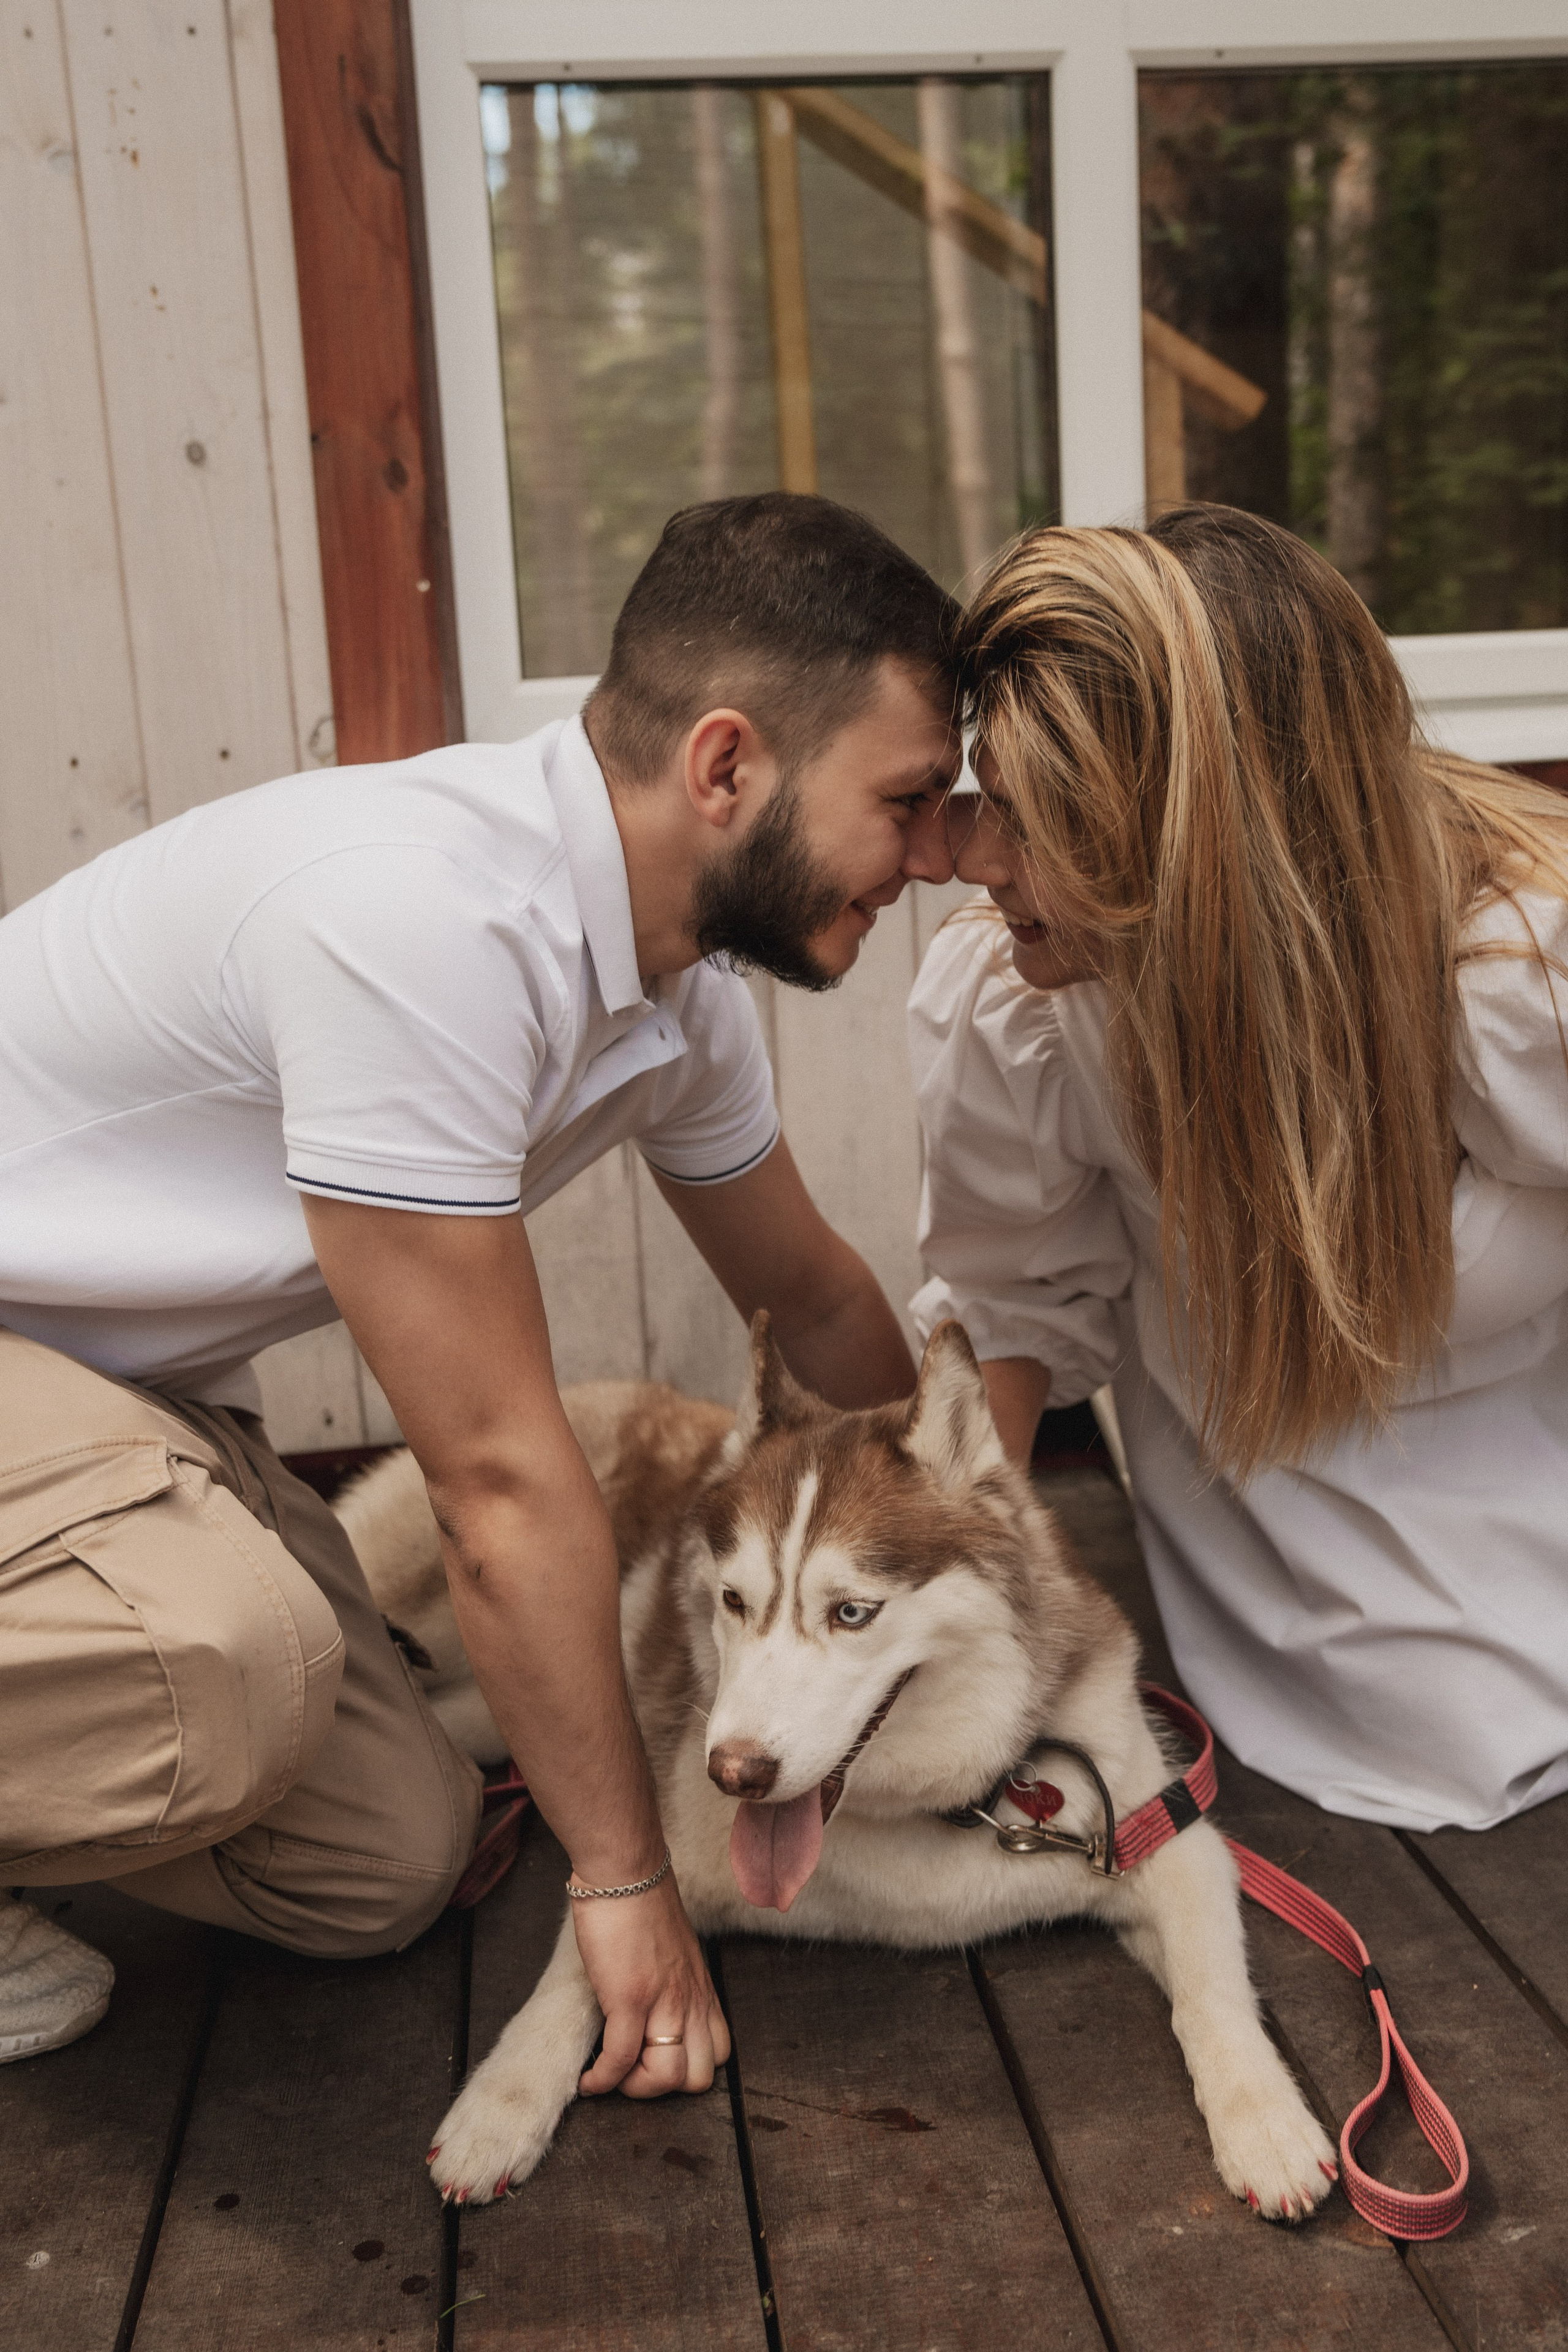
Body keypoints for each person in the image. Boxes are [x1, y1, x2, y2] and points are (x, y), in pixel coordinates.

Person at [0, 492, 962, 2075]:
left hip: (114, 1405)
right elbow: (501, 1484)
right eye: (911, 799)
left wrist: (985, 1553)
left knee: (385, 1863)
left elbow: (817, 1298)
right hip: (39, 1378)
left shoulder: (673, 989)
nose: (933, 855)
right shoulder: (421, 922)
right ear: (727, 766)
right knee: (226, 1667)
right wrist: (626, 1880)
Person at [910, 502, 1568, 1834]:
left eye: (1034, 822)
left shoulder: (1516, 982)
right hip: (1296, 1622)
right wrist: (950, 1613)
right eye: (986, 801)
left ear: (1203, 839)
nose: (966, 862)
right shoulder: (1025, 1011)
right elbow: (1014, 1313)